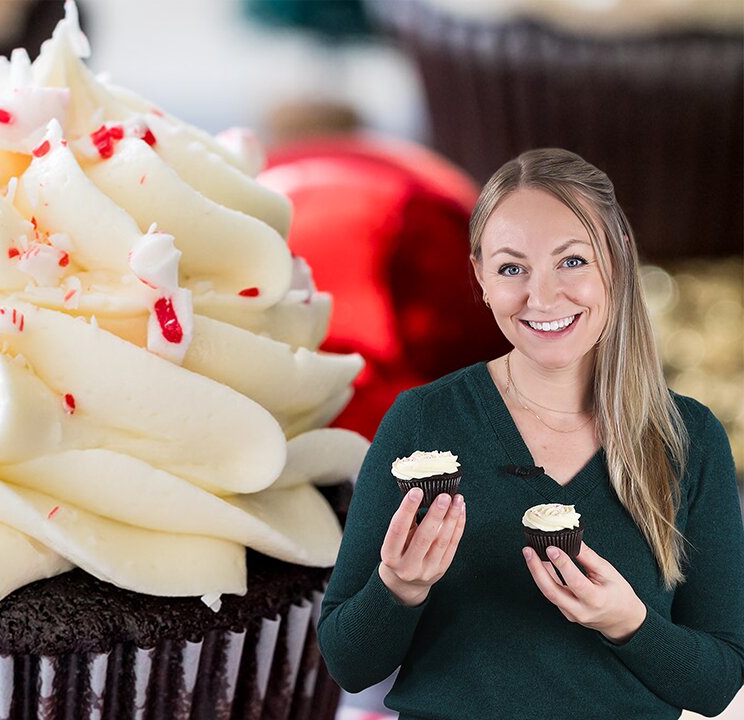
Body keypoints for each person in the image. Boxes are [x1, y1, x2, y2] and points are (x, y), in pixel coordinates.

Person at [317, 148, 744, 719]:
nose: (541, 298)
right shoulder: (423, 421)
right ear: (481, 279)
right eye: (512, 268)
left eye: (571, 262)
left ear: (614, 262)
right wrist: (398, 589)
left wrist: (629, 623)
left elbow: (717, 684)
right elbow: (348, 663)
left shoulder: (688, 438)